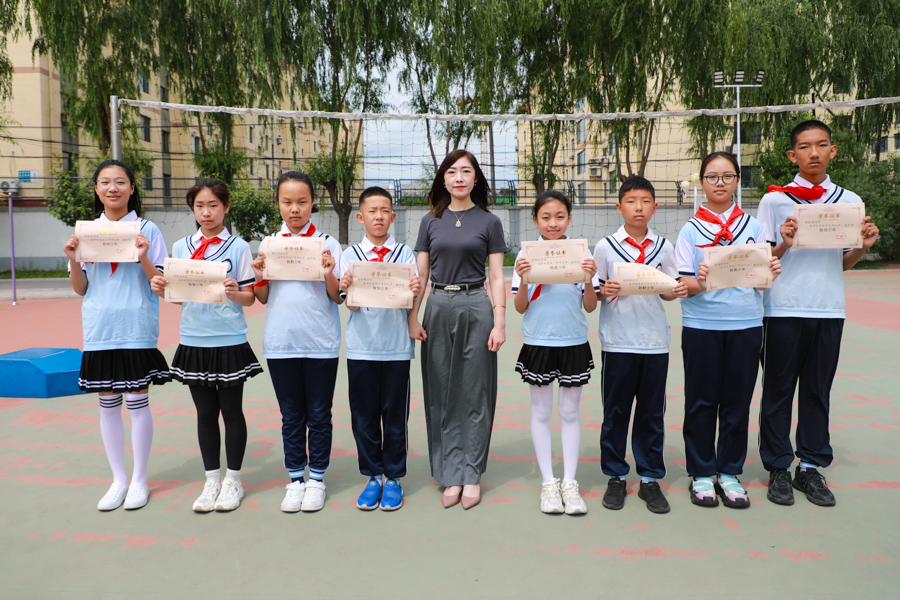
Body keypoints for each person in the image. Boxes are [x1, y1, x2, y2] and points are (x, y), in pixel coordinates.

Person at [757, 120, 879, 507]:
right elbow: (762, 260)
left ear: (833, 150)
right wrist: (784, 242)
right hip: (782, 309)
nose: (814, 153)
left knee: (816, 391)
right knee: (778, 390)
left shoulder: (849, 201)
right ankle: (778, 467)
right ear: (792, 155)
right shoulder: (776, 201)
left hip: (828, 308)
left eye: (821, 145)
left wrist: (863, 246)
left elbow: (842, 263)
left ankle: (809, 466)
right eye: (805, 147)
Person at [675, 152, 782, 509]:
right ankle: (702, 473)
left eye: (727, 176)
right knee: (701, 401)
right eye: (712, 176)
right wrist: (702, 280)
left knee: (737, 401)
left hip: (745, 324)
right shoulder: (690, 230)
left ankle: (731, 472)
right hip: (702, 326)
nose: (719, 183)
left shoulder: (754, 227)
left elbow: (760, 280)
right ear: (701, 182)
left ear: (737, 180)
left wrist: (770, 272)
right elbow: (683, 285)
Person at [63, 159, 169, 511]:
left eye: (121, 182)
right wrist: (74, 258)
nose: (113, 188)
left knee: (137, 403)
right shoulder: (86, 232)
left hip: (136, 327)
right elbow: (81, 288)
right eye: (105, 182)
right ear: (96, 189)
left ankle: (139, 480)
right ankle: (118, 480)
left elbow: (160, 284)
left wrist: (143, 256)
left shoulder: (148, 229)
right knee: (107, 405)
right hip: (100, 328)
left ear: (132, 188)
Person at [150, 178, 262, 513]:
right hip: (194, 340)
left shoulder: (239, 247)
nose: (206, 212)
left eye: (213, 205)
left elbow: (250, 298)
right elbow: (178, 298)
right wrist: (162, 290)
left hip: (229, 340)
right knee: (205, 414)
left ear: (226, 207)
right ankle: (212, 480)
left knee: (232, 412)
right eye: (200, 206)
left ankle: (233, 480)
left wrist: (234, 292)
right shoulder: (181, 247)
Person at [408, 149, 507, 510]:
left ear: (476, 178)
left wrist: (499, 321)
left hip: (476, 305)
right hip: (438, 306)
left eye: (466, 171)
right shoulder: (430, 221)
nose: (459, 177)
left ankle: (471, 473)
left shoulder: (490, 222)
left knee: (475, 392)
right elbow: (421, 275)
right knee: (442, 391)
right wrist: (413, 316)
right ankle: (450, 472)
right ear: (444, 179)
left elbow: (496, 276)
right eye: (452, 172)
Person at [593, 175, 687, 514]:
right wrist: (604, 291)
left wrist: (675, 291)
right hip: (618, 342)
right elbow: (595, 291)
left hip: (654, 343)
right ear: (619, 207)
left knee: (651, 413)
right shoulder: (605, 246)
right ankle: (616, 476)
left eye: (645, 201)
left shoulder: (664, 247)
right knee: (615, 412)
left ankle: (649, 478)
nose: (638, 207)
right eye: (631, 201)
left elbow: (668, 289)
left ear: (655, 207)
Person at [251, 171, 343, 513]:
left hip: (320, 343)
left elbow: (337, 297)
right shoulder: (269, 244)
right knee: (291, 416)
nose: (294, 209)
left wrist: (329, 271)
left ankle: (316, 479)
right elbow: (262, 297)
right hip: (281, 343)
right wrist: (259, 275)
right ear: (278, 204)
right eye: (287, 202)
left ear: (312, 203)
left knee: (319, 415)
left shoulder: (328, 244)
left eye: (302, 202)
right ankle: (295, 480)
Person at [512, 190, 599, 515]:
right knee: (540, 413)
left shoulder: (581, 253)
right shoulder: (527, 256)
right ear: (535, 220)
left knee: (570, 413)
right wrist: (524, 278)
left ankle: (570, 484)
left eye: (560, 216)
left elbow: (590, 306)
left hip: (573, 341)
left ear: (569, 219)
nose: (553, 223)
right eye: (545, 217)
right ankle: (549, 483)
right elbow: (520, 307)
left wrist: (589, 279)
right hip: (539, 342)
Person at [339, 187, 421, 511]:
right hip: (362, 348)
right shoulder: (350, 255)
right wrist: (347, 289)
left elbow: (410, 300)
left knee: (395, 417)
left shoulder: (404, 254)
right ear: (360, 217)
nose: (378, 216)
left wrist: (413, 290)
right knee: (364, 416)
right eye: (372, 211)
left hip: (396, 348)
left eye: (385, 210)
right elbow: (351, 306)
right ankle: (373, 476)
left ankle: (394, 477)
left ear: (393, 217)